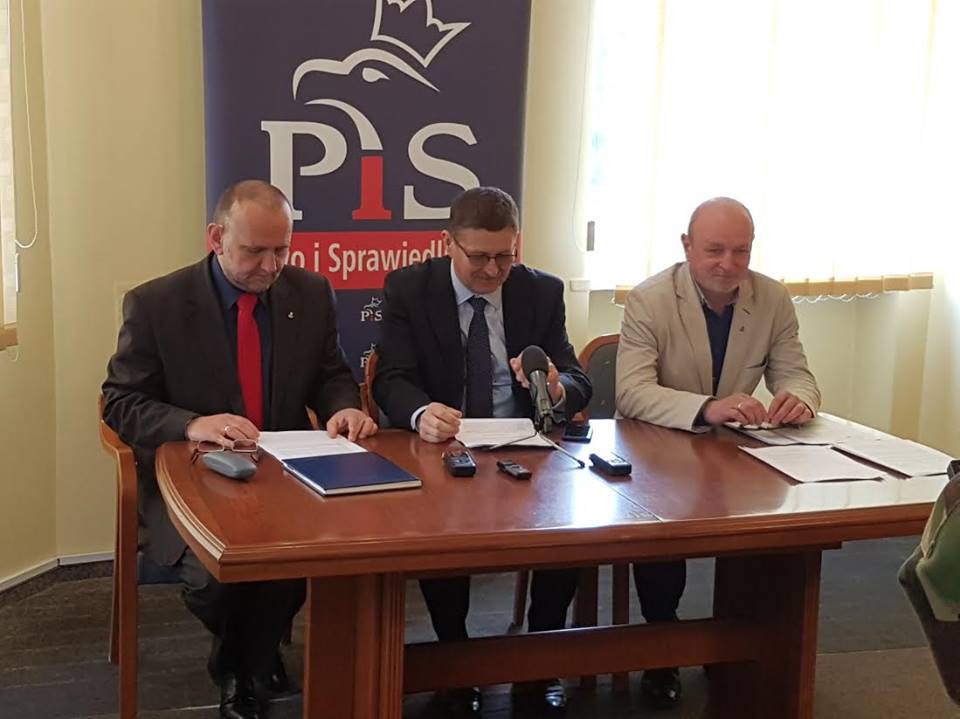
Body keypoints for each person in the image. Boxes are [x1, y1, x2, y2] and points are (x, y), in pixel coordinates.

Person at [102, 180, 376, 719]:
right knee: (215, 580)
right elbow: (120, 402)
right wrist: (192, 424)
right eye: (254, 251)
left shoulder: (310, 293)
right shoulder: (157, 304)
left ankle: (242, 664)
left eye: (282, 250)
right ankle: (245, 661)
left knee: (306, 559)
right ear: (216, 238)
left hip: (286, 472)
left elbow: (331, 375)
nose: (271, 266)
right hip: (191, 478)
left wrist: (344, 407)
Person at [372, 186, 592, 717]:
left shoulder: (540, 291)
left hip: (524, 445)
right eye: (479, 257)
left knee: (567, 528)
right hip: (443, 447)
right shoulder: (410, 288)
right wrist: (421, 413)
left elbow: (578, 379)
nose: (493, 270)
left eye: (504, 256)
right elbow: (391, 379)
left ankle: (538, 660)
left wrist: (557, 387)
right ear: (447, 243)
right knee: (441, 529)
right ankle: (456, 659)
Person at [615, 196, 821, 709]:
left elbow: (795, 372)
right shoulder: (649, 299)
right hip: (660, 451)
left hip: (736, 455)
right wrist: (707, 408)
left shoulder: (772, 298)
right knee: (663, 528)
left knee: (777, 523)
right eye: (714, 250)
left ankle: (752, 649)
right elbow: (632, 393)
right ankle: (662, 649)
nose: (728, 264)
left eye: (740, 251)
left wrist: (799, 398)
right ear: (687, 246)